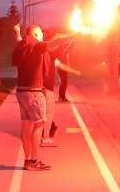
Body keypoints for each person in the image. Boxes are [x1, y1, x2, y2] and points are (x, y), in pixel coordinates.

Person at [11, 24, 74, 170]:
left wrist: (17, 31)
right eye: (39, 33)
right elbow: (54, 43)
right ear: (33, 34)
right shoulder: (37, 46)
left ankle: (28, 161)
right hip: (34, 93)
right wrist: (74, 35)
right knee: (39, 124)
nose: (41, 36)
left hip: (21, 92)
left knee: (26, 125)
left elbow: (19, 39)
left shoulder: (22, 45)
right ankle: (34, 161)